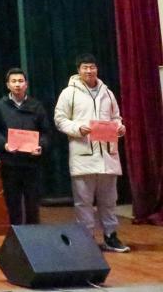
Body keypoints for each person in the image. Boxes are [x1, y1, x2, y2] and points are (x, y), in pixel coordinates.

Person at [54, 54, 130, 252]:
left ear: (97, 69)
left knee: (109, 201)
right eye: (85, 67)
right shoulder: (69, 93)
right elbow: (60, 120)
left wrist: (119, 127)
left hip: (107, 156)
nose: (89, 71)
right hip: (83, 155)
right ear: (78, 70)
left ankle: (111, 236)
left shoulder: (107, 93)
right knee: (84, 202)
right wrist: (78, 128)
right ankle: (86, 239)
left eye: (92, 67)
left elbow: (116, 117)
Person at [0, 68, 53, 226]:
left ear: (26, 84)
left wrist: (41, 146)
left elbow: (46, 132)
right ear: (8, 85)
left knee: (32, 206)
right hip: (10, 164)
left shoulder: (36, 106)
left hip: (32, 164)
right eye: (14, 81)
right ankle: (16, 236)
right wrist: (4, 145)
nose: (17, 84)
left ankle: (33, 237)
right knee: (13, 205)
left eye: (20, 81)